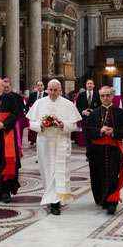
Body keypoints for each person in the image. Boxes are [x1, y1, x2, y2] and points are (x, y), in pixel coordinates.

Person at [27, 79, 81, 215]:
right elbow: (31, 124)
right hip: (44, 143)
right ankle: (51, 197)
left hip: (61, 142)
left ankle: (56, 201)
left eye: (55, 90)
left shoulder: (68, 104)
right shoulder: (39, 103)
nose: (52, 92)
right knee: (47, 171)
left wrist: (63, 125)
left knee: (59, 171)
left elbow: (74, 126)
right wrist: (41, 125)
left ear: (60, 90)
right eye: (50, 90)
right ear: (46, 90)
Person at [84, 86, 123, 215]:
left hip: (113, 150)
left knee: (112, 175)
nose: (105, 98)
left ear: (112, 96)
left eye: (108, 95)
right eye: (102, 96)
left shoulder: (120, 113)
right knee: (97, 175)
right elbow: (87, 132)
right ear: (99, 97)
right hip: (96, 151)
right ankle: (101, 199)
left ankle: (112, 202)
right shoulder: (93, 113)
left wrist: (113, 132)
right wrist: (100, 131)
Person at [76, 79, 101, 156]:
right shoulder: (81, 95)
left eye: (91, 83)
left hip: (95, 119)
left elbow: (100, 106)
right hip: (85, 119)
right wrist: (83, 111)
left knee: (94, 136)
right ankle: (88, 153)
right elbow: (77, 107)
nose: (89, 85)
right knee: (86, 137)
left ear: (93, 85)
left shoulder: (98, 95)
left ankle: (95, 153)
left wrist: (93, 111)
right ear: (86, 85)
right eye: (88, 84)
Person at [3, 78, 26, 154]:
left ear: (10, 86)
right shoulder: (0, 96)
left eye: (7, 87)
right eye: (4, 87)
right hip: (3, 122)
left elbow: (21, 109)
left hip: (14, 121)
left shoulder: (17, 96)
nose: (6, 89)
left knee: (15, 139)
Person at [27, 81, 47, 147]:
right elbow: (28, 104)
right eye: (38, 85)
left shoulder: (47, 95)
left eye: (41, 85)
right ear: (36, 87)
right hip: (34, 114)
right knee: (33, 128)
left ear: (43, 86)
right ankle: (33, 140)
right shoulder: (32, 95)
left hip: (44, 114)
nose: (40, 87)